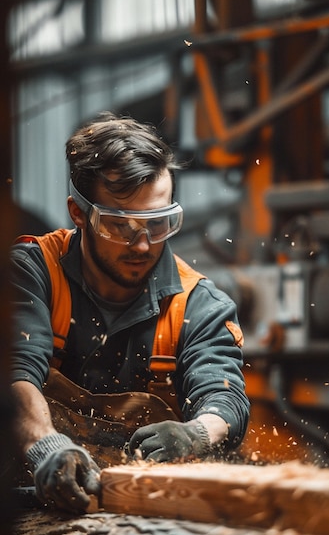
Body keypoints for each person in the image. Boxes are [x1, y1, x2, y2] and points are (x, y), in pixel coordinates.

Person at [10, 111, 250, 513]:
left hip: (141, 520)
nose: (142, 245)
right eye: (121, 226)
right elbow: (14, 373)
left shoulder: (198, 303)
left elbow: (224, 400)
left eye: (158, 224)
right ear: (78, 213)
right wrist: (47, 448)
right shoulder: (32, 272)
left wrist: (195, 434)